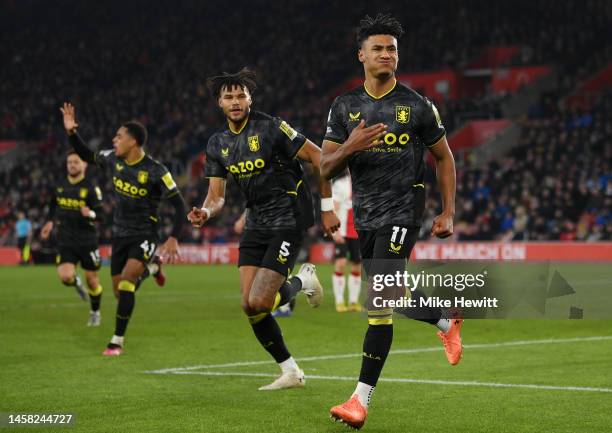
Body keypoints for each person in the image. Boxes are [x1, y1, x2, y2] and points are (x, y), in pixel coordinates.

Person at [320, 14, 462, 429]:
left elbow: (444, 157)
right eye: (378, 48)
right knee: (392, 295)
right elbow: (325, 164)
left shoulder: (417, 105)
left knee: (379, 302)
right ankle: (445, 319)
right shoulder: (344, 107)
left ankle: (359, 401)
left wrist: (448, 210)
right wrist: (351, 144)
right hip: (365, 214)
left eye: (392, 49)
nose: (387, 54)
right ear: (361, 55)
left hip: (404, 211)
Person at [188, 68, 340, 390]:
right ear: (219, 102)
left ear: (250, 98)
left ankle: (303, 280)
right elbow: (216, 197)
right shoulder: (217, 144)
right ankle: (291, 372)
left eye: (241, 95)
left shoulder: (271, 127)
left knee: (260, 300)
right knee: (250, 306)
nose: (235, 101)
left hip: (289, 216)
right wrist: (204, 210)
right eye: (228, 96)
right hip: (257, 220)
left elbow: (320, 158)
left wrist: (327, 209)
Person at [60, 102, 186, 356]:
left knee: (128, 283)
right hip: (120, 234)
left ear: (134, 141)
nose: (114, 139)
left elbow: (180, 206)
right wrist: (72, 133)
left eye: (119, 136)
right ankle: (153, 268)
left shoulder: (156, 171)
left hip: (145, 234)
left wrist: (173, 237)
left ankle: (116, 341)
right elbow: (87, 155)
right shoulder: (112, 160)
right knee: (119, 291)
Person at [40, 151, 104, 325]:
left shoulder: (91, 188)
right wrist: (50, 222)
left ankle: (95, 312)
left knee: (92, 281)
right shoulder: (60, 186)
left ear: (84, 165)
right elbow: (53, 205)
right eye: (69, 162)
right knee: (65, 277)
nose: (72, 165)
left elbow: (102, 216)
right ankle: (76, 282)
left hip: (87, 241)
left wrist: (90, 213)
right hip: (66, 240)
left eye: (76, 162)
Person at [331, 171, 362, 312]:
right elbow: (334, 207)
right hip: (342, 231)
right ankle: (339, 301)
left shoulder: (365, 183)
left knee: (357, 266)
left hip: (357, 232)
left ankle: (353, 301)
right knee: (341, 263)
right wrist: (335, 231)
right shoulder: (340, 185)